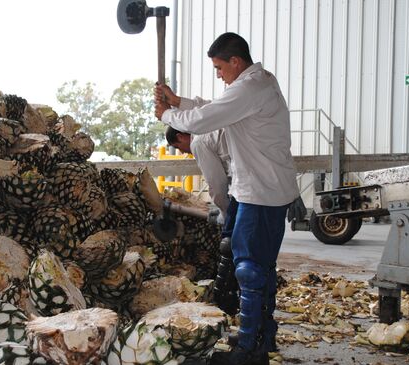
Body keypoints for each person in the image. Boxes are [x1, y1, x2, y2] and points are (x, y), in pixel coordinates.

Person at [154, 32, 303, 365]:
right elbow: (212, 108)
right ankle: (260, 336)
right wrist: (178, 102)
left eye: (220, 67)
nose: (218, 74)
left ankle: (249, 351)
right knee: (257, 266)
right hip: (260, 188)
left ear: (236, 61)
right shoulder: (256, 84)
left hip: (260, 191)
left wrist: (167, 114)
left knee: (250, 268)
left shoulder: (250, 88)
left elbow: (204, 119)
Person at [165, 126, 240, 315]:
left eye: (181, 147)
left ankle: (226, 305)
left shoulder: (198, 142)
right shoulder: (212, 131)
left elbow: (216, 183)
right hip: (251, 186)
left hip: (241, 192)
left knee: (228, 247)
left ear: (182, 136)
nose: (184, 152)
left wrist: (224, 211)